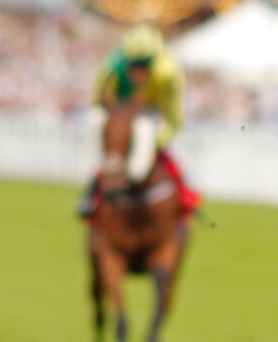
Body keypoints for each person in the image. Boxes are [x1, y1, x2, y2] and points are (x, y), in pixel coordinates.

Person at [78, 24, 200, 221]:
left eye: (145, 65)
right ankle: (92, 195)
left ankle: (185, 199)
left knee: (148, 133)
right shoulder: (110, 68)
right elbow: (98, 104)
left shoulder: (169, 74)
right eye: (134, 65)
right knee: (98, 126)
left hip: (151, 115)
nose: (139, 71)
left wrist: (157, 142)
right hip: (118, 114)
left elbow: (175, 118)